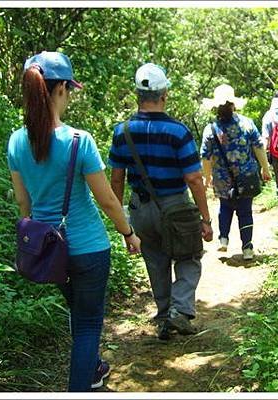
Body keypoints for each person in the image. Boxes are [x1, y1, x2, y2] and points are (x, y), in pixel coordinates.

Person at [7, 51, 141, 392]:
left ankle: (93, 369)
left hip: (50, 249)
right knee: (88, 324)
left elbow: (24, 204)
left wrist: (35, 236)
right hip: (89, 247)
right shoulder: (78, 140)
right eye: (69, 89)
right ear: (62, 89)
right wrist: (128, 232)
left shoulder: (16, 141)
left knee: (78, 315)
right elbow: (107, 199)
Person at [108, 63, 213, 340]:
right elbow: (193, 179)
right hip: (176, 206)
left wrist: (123, 221)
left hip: (140, 208)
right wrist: (205, 219)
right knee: (189, 256)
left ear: (137, 95)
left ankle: (165, 314)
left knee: (155, 259)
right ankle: (179, 312)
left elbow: (116, 179)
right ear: (164, 94)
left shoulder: (123, 132)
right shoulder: (177, 132)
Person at [200, 84, 271, 261]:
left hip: (222, 178)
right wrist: (265, 167)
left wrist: (207, 177)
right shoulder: (247, 123)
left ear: (216, 108)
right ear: (234, 105)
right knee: (245, 211)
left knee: (225, 207)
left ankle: (223, 239)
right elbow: (258, 146)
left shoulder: (211, 129)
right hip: (246, 176)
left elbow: (205, 156)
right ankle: (247, 249)